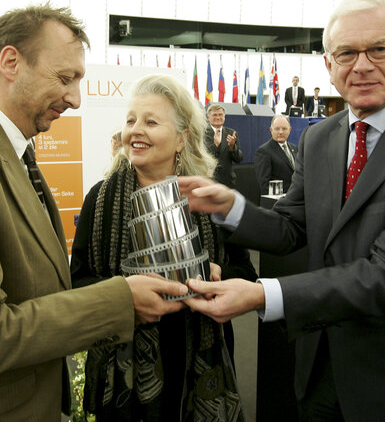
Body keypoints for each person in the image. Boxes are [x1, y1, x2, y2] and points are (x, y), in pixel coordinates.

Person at [178, 0, 385, 421]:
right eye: (346, 53)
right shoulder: (319, 137)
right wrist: (231, 207)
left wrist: (260, 295)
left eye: (379, 49)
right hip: (322, 371)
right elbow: (292, 227)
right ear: (329, 66)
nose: (361, 65)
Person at [0, 3, 188, 422]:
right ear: (11, 62)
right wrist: (121, 299)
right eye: (65, 78)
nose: (75, 98)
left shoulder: (9, 153)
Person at [71, 74, 256, 421]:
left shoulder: (207, 197)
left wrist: (219, 277)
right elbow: (78, 282)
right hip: (125, 378)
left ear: (181, 140)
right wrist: (122, 296)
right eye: (130, 120)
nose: (135, 130)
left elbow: (245, 273)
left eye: (151, 122)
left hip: (197, 368)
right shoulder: (100, 199)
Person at [254, 114, 297, 195]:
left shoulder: (295, 148)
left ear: (290, 130)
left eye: (284, 128)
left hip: (296, 201)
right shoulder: (263, 151)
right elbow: (264, 185)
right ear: (271, 130)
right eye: (277, 129)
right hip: (278, 203)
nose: (280, 132)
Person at [204, 103, 243, 188]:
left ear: (224, 117)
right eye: (214, 115)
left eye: (220, 115)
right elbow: (203, 156)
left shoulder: (231, 133)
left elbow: (239, 159)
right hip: (209, 181)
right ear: (208, 117)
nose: (218, 117)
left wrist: (232, 147)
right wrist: (216, 145)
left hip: (228, 182)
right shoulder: (202, 133)